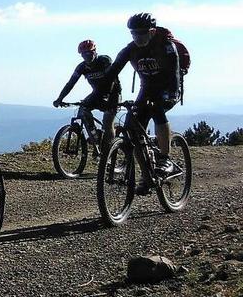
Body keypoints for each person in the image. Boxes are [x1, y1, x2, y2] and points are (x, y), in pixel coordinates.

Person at [102, 12, 180, 193]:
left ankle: (164, 158)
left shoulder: (166, 46)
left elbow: (174, 73)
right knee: (133, 130)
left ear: (152, 32)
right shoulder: (130, 49)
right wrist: (101, 96)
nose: (137, 37)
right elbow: (111, 74)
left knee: (157, 109)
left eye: (141, 33)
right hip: (146, 90)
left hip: (167, 87)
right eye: (133, 33)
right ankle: (147, 178)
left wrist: (171, 94)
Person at [52, 39, 121, 153]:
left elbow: (112, 80)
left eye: (89, 53)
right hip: (97, 93)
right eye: (84, 54)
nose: (87, 56)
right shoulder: (82, 67)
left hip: (113, 93)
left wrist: (106, 97)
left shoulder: (104, 60)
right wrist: (60, 99)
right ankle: (95, 137)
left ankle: (110, 152)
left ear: (95, 51)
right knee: (83, 110)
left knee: (107, 123)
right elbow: (70, 83)